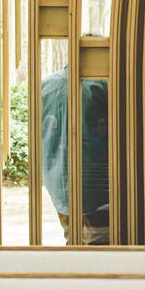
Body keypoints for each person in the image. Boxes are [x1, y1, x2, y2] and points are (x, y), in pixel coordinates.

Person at [40, 68, 111, 245]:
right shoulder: (103, 86)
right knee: (98, 248)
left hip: (57, 180)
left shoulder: (45, 86)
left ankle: (74, 270)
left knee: (73, 239)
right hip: (96, 185)